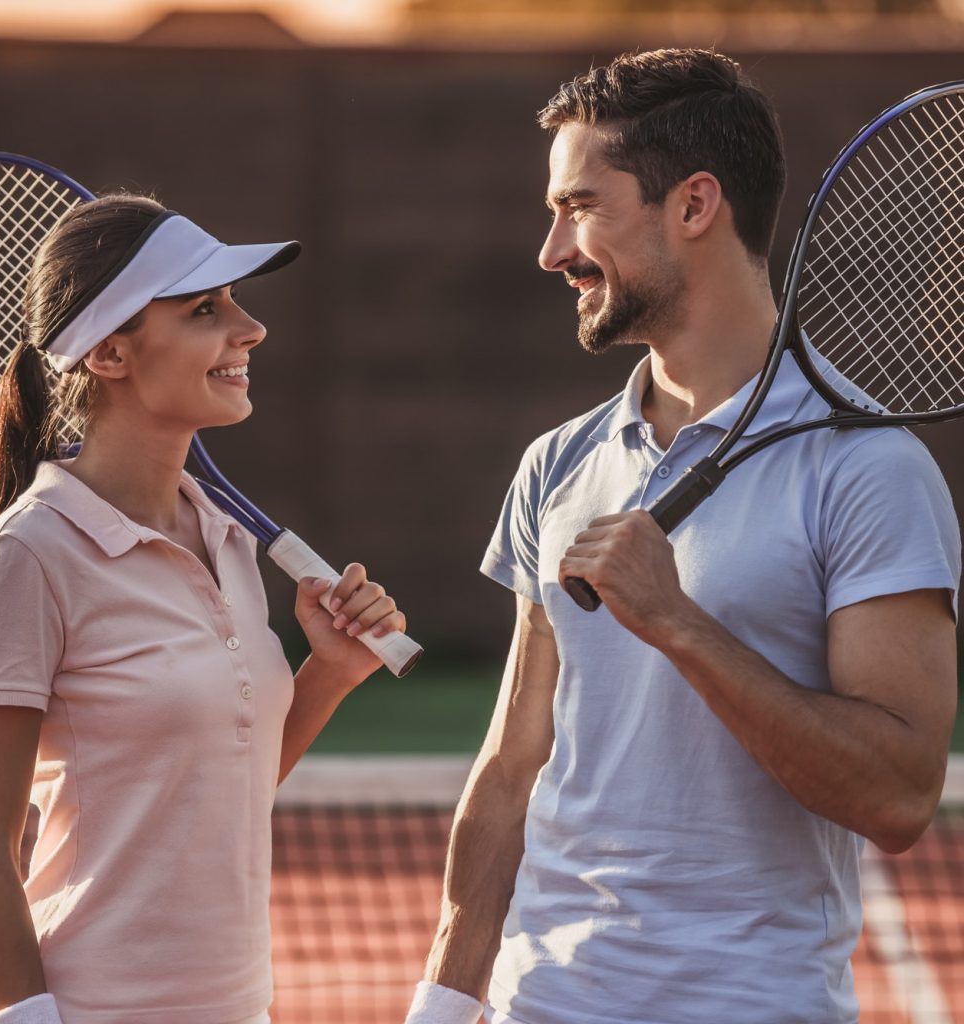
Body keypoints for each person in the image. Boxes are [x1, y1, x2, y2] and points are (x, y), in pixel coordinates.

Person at [406, 48, 960, 1024]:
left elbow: (898, 796)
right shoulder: (556, 463)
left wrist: (678, 623)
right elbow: (512, 765)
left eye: (580, 206)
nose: (551, 250)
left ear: (694, 205)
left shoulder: (868, 470)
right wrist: (443, 1001)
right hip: (542, 1002)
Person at [0, 196, 408, 1024]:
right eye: (207, 309)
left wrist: (331, 672)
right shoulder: (28, 555)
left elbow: (217, 786)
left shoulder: (226, 537)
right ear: (109, 353)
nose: (250, 329)